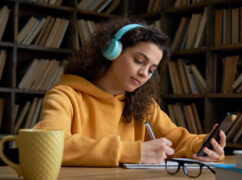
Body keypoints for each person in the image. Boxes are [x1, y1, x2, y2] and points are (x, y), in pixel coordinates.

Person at [34, 17, 226, 167]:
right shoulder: (65, 96)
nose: (144, 73)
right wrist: (133, 152)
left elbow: (177, 139)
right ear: (113, 51)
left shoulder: (144, 105)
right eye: (139, 61)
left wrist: (204, 147)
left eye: (151, 70)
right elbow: (48, 146)